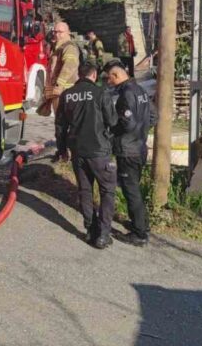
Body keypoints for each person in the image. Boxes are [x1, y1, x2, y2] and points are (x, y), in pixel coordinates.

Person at [56, 61, 119, 249]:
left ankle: (90, 230)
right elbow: (112, 120)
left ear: (79, 75)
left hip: (78, 152)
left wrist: (62, 150)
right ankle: (104, 234)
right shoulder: (101, 93)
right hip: (99, 151)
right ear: (93, 75)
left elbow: (60, 127)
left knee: (85, 190)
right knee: (107, 190)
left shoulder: (67, 96)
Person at [106, 60, 157, 247]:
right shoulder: (140, 90)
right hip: (140, 148)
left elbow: (126, 123)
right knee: (134, 188)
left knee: (131, 191)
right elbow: (153, 116)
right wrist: (142, 132)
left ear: (116, 76)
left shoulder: (126, 94)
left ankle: (139, 233)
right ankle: (142, 224)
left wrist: (112, 133)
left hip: (128, 150)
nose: (108, 82)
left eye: (109, 79)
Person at [39, 21, 80, 115]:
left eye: (60, 32)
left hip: (65, 93)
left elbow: (70, 65)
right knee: (59, 123)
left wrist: (59, 85)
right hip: (58, 93)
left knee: (63, 124)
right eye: (55, 32)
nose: (56, 34)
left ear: (68, 32)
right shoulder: (59, 47)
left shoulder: (69, 47)